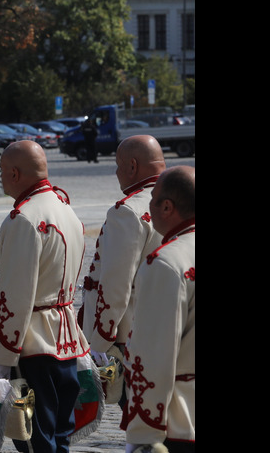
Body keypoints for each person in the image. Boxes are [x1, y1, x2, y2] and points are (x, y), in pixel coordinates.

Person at [0, 141, 88, 453]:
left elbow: (14, 295)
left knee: (35, 438)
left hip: (32, 342)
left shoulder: (23, 218)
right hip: (66, 337)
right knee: (60, 434)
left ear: (15, 173)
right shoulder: (66, 210)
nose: (2, 180)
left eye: (3, 173)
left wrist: (3, 358)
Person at [124, 166, 195, 453]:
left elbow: (153, 353)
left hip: (180, 420)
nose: (148, 207)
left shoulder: (165, 263)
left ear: (167, 207)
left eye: (152, 199)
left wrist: (142, 431)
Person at [83, 136, 165, 373]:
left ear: (132, 166)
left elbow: (115, 285)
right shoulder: (185, 198)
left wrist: (100, 341)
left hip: (133, 336)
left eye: (118, 165)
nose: (117, 172)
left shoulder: (128, 212)